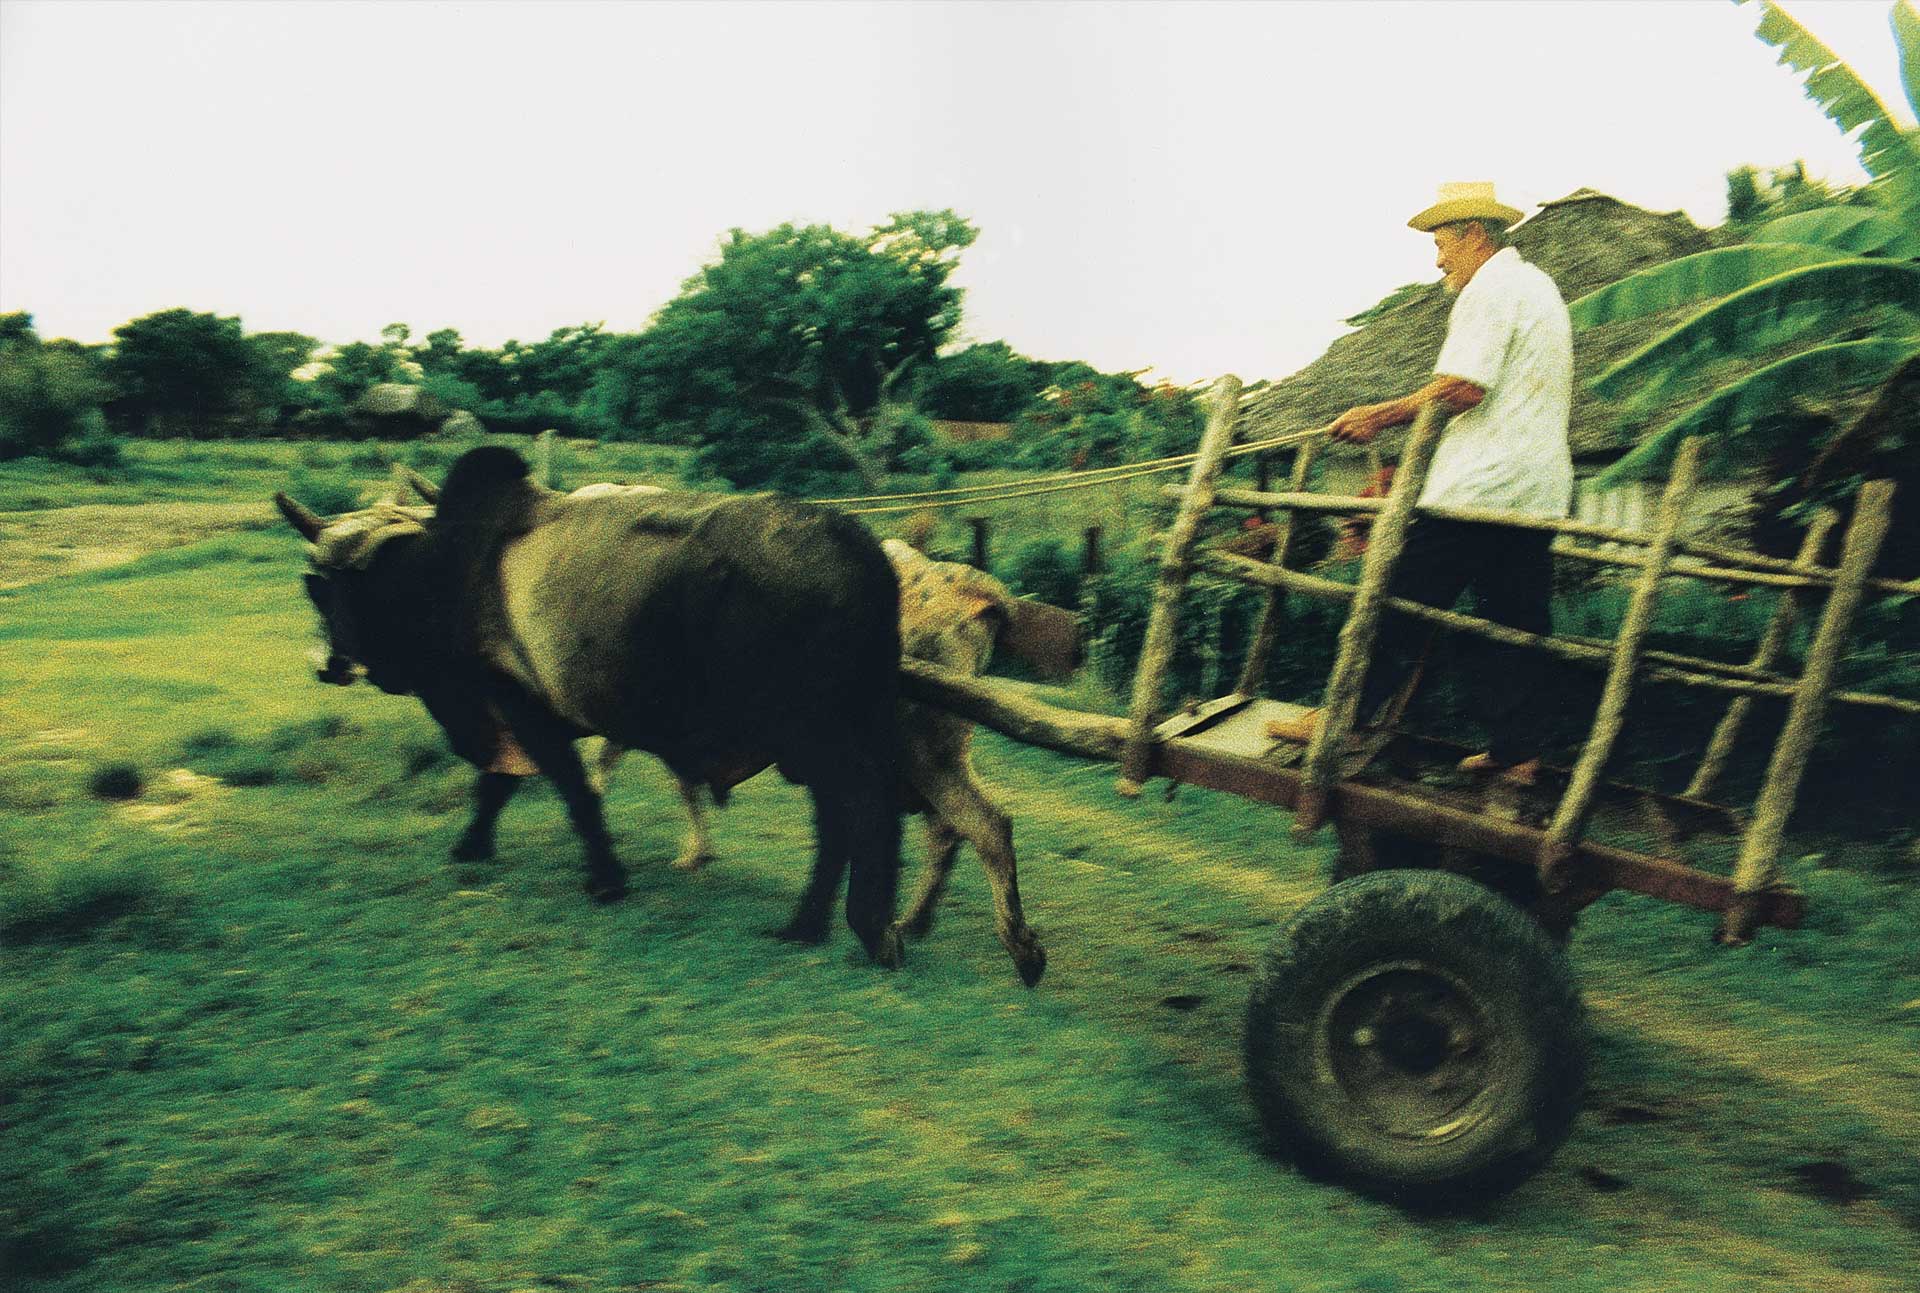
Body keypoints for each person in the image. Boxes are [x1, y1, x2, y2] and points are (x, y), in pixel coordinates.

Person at [1270, 181, 1573, 785]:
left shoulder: (1489, 290)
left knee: (1396, 601)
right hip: (1534, 488)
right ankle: (1518, 754)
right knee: (1514, 623)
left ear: (1475, 235)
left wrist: (1377, 415)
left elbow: (1463, 387)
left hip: (1481, 487)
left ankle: (1343, 718)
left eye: (1441, 245)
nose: (1438, 262)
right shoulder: (1535, 285)